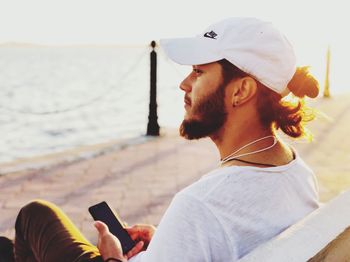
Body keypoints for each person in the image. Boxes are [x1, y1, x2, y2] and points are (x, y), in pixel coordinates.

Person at [0, 17, 320, 262]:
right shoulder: (297, 173)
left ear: (241, 90)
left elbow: (212, 222)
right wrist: (166, 238)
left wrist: (112, 256)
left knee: (33, 215)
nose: (184, 84)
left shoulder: (200, 206)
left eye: (198, 72)